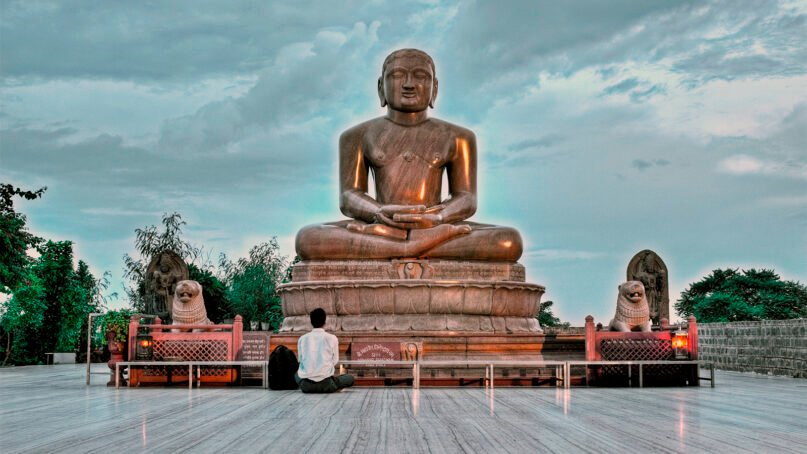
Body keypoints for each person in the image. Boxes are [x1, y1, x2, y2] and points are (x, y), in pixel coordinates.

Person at [295, 48, 523, 262]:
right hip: (381, 226)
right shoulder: (357, 135)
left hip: (433, 225)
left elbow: (466, 198)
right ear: (380, 88)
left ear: (434, 88)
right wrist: (378, 212)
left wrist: (438, 218)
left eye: (420, 76)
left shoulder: (458, 137)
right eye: (397, 75)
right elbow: (349, 196)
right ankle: (408, 248)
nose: (408, 84)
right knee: (309, 238)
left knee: (508, 241)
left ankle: (404, 246)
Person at [295, 308, 354, 393]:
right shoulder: (332, 338)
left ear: (311, 322)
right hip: (327, 384)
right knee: (350, 378)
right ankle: (334, 384)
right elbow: (335, 361)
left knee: (296, 375)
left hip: (306, 386)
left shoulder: (302, 339)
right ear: (324, 321)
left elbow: (300, 360)